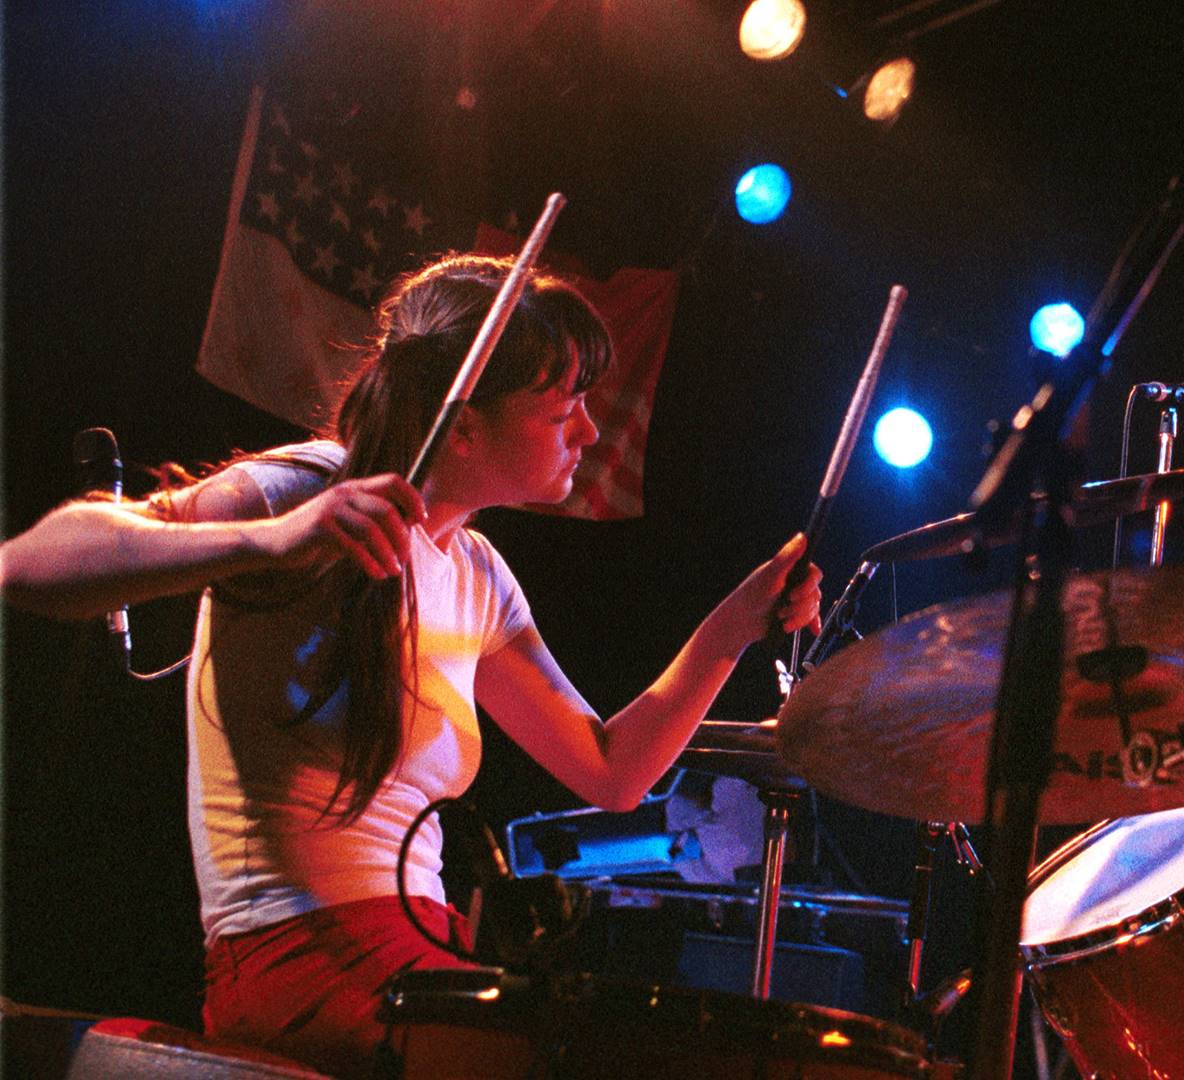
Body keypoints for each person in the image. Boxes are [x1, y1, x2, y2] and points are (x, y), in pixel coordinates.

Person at [0, 254, 823, 1077]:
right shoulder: (309, 489)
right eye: (564, 406)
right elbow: (29, 564)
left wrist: (732, 629)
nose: (590, 430)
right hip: (298, 964)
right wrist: (271, 540)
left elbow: (611, 771)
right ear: (464, 425)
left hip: (416, 957)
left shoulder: (477, 572)